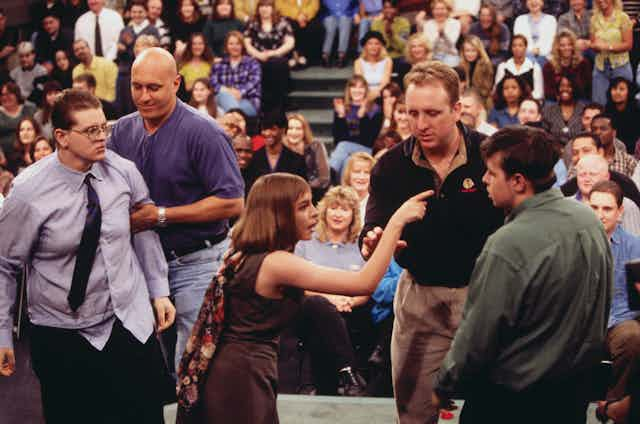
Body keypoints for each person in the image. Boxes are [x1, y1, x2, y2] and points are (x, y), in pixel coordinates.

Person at [175, 172, 429, 423]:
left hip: (240, 371)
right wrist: (397, 222)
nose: (315, 213)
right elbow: (363, 284)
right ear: (279, 213)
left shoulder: (249, 254)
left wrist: (381, 250)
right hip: (241, 377)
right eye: (304, 206)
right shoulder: (276, 263)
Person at [0, 88, 176, 423]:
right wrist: (2, 334)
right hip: (62, 331)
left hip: (126, 319)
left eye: (104, 128)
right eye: (91, 130)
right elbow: (4, 266)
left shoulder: (123, 172)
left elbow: (144, 227)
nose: (102, 138)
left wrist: (159, 290)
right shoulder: (27, 192)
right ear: (62, 137)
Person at [432, 125, 612, 424]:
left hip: (509, 402)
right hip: (572, 396)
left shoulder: (507, 244)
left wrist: (444, 384)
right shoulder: (588, 222)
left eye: (491, 172)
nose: (483, 179)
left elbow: (478, 335)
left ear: (517, 181)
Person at [359, 61, 503, 424]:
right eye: (412, 113)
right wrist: (372, 239)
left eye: (432, 113)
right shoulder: (390, 166)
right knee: (413, 415)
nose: (420, 124)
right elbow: (374, 223)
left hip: (485, 296)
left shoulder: (491, 155)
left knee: (496, 411)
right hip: (419, 300)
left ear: (457, 110)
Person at [108, 47, 245, 369]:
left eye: (153, 87)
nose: (144, 96)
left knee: (193, 366)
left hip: (197, 262)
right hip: (141, 264)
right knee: (147, 368)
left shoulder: (205, 132)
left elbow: (232, 201)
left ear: (176, 83)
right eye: (137, 86)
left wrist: (161, 215)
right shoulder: (122, 130)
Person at [295, 186, 371, 396]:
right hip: (310, 307)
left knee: (330, 324)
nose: (338, 214)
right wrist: (331, 300)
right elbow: (298, 284)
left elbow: (368, 287)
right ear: (324, 212)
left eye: (344, 210)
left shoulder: (361, 245)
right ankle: (348, 371)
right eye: (333, 208)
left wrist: (350, 302)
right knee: (319, 307)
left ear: (353, 215)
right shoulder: (306, 242)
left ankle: (316, 384)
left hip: (351, 310)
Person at [589, 180, 640, 424]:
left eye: (607, 209)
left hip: (619, 320)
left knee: (632, 336)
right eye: (594, 207)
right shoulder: (573, 242)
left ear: (620, 212)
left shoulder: (635, 246)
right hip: (581, 322)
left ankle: (613, 406)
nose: (599, 215)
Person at [244, 0, 294, 114]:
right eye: (262, 6)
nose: (264, 9)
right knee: (258, 65)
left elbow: (290, 42)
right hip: (257, 56)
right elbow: (246, 43)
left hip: (277, 56)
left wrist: (274, 53)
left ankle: (279, 103)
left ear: (273, 8)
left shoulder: (282, 22)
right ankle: (263, 104)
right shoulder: (252, 23)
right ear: (258, 9)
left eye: (267, 6)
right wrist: (258, 55)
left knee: (277, 64)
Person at [329, 75, 383, 177]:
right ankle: (344, 189)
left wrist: (362, 116)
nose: (357, 90)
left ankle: (328, 174)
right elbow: (337, 138)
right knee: (347, 162)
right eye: (354, 87)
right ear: (349, 90)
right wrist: (341, 116)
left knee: (343, 146)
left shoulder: (375, 109)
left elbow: (369, 140)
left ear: (366, 90)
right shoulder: (342, 107)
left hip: (365, 149)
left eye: (361, 87)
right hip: (344, 152)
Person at [575, 154, 640, 235]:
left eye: (593, 174)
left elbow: (635, 243)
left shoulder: (627, 206)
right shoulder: (567, 205)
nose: (587, 179)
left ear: (607, 176)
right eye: (582, 174)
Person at [115, 0, 160, 115]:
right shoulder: (125, 30)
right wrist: (122, 50)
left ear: (146, 13)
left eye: (140, 12)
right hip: (127, 73)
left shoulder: (152, 30)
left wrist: (128, 47)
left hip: (147, 71)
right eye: (134, 12)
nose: (137, 15)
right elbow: (121, 56)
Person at [246, 111, 307, 190]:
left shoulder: (297, 160)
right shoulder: (253, 158)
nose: (267, 133)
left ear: (283, 130)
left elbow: (301, 189)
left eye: (273, 129)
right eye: (264, 129)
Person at [590, 0, 633, 106]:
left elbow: (628, 45)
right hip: (600, 68)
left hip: (620, 66)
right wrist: (593, 45)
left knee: (624, 105)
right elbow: (594, 45)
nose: (601, 1)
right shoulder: (594, 19)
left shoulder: (623, 17)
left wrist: (607, 46)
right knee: (599, 105)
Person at [210, 31, 261, 117]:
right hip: (223, 99)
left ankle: (232, 118)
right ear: (226, 46)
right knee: (222, 96)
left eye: (238, 44)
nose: (234, 47)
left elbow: (253, 83)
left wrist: (240, 92)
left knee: (222, 113)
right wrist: (229, 92)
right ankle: (235, 119)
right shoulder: (219, 65)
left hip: (248, 101)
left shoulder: (252, 63)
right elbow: (213, 84)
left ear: (242, 46)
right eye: (231, 44)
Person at [284, 113, 330, 201]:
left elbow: (324, 178)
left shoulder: (315, 146)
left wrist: (302, 188)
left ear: (304, 131)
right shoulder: (281, 149)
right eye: (290, 128)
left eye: (298, 129)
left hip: (313, 193)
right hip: (286, 194)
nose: (294, 132)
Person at [542, 29, 592, 101]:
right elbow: (549, 92)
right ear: (557, 47)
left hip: (577, 99)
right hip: (557, 100)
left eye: (569, 45)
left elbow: (586, 89)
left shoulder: (583, 63)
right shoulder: (549, 66)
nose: (566, 48)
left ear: (574, 46)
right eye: (562, 45)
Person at [494, 35, 543, 100]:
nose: (517, 48)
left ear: (525, 47)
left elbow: (538, 93)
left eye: (520, 45)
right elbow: (498, 89)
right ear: (511, 48)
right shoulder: (503, 66)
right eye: (514, 46)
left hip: (528, 103)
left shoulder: (535, 67)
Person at [276, 0, 323, 67]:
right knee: (290, 26)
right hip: (289, 16)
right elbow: (280, 5)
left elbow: (314, 4)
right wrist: (297, 15)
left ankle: (306, 56)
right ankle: (293, 56)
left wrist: (304, 15)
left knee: (316, 27)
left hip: (307, 16)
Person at [542, 75, 586, 144]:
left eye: (569, 86)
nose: (565, 89)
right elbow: (544, 134)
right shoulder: (548, 110)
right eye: (562, 86)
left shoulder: (584, 110)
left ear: (575, 88)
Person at [591, 113, 637, 177]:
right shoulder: (586, 158)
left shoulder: (628, 161)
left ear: (614, 132)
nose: (598, 132)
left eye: (603, 129)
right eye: (594, 129)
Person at [72, 38, 118, 102]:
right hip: (85, 106)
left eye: (82, 48)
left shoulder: (107, 64)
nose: (80, 51)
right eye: (76, 50)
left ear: (89, 48)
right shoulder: (76, 71)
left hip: (107, 106)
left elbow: (113, 91)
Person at [513, 0, 557, 67]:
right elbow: (519, 41)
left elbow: (550, 42)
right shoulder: (519, 20)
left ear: (542, 2)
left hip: (546, 56)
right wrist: (531, 51)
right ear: (526, 3)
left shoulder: (551, 20)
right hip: (524, 56)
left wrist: (539, 51)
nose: (533, 2)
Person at [0, 82, 37, 160]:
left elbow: (37, 130)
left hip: (28, 151)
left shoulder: (29, 109)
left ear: (17, 95)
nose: (5, 97)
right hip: (4, 156)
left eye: (9, 94)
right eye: (2, 95)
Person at [605, 77, 640, 154]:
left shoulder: (637, 111)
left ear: (629, 92)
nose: (617, 92)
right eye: (614, 89)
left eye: (621, 89)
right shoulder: (607, 110)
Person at [354, 31, 393, 101]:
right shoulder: (358, 62)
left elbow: (386, 82)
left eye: (377, 43)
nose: (373, 46)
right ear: (365, 46)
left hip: (381, 95)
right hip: (364, 94)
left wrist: (375, 94)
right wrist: (368, 95)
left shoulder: (387, 61)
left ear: (381, 46)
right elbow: (361, 82)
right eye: (370, 43)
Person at [422, 0, 461, 67]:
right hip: (433, 55)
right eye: (437, 9)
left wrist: (443, 34)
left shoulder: (455, 23)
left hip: (450, 54)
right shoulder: (428, 24)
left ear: (447, 10)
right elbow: (430, 45)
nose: (439, 12)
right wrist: (439, 35)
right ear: (433, 11)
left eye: (442, 9)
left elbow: (452, 43)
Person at [458, 35, 493, 109]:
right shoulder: (462, 66)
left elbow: (485, 90)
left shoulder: (485, 65)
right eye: (467, 51)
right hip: (465, 99)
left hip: (482, 101)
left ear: (479, 51)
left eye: (473, 50)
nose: (470, 54)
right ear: (463, 52)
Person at [320, 0, 356, 67]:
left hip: (346, 15)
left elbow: (356, 5)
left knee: (344, 21)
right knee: (330, 26)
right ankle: (325, 55)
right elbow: (321, 8)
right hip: (329, 16)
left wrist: (355, 14)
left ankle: (341, 55)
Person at [342, 152, 376, 222]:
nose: (361, 177)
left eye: (367, 172)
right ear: (349, 174)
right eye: (357, 172)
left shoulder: (377, 204)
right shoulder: (338, 198)